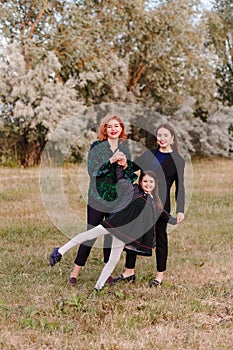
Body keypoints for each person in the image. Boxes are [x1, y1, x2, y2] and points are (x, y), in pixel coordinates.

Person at [50, 170, 177, 290]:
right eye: (145, 181)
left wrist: (173, 220)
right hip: (115, 224)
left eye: (151, 182)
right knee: (88, 235)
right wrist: (119, 167)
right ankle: (59, 251)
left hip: (125, 233)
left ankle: (98, 286)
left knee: (113, 260)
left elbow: (163, 213)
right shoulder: (133, 189)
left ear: (155, 185)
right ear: (140, 182)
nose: (148, 184)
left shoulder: (155, 201)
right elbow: (121, 180)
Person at [68, 114, 137, 286]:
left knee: (110, 235)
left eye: (117, 126)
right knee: (90, 234)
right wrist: (111, 161)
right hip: (98, 198)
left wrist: (127, 166)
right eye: (110, 126)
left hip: (116, 200)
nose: (113, 129)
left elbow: (129, 178)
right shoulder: (97, 147)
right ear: (104, 129)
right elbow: (93, 171)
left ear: (121, 129)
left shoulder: (125, 150)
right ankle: (75, 271)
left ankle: (106, 274)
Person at [114, 123, 185, 287]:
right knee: (133, 232)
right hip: (142, 199)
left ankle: (159, 276)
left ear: (172, 138)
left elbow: (180, 187)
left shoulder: (178, 160)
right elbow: (133, 168)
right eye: (159, 135)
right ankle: (129, 272)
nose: (162, 139)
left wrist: (180, 209)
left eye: (166, 136)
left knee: (160, 236)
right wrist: (124, 165)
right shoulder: (149, 154)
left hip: (161, 202)